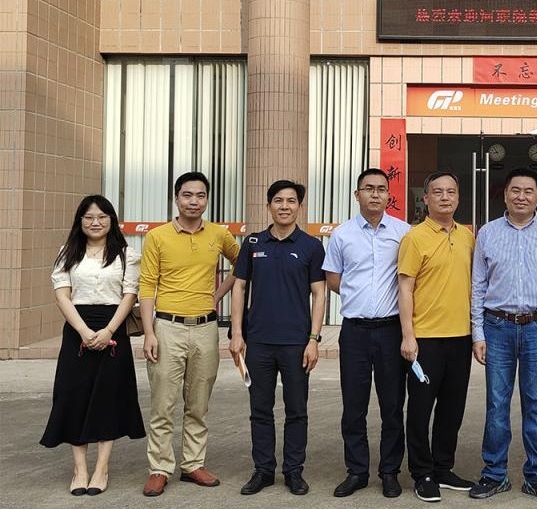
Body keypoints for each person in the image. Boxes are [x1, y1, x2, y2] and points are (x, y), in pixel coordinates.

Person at [468, 169, 537, 503]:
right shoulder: (488, 233)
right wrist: (478, 333)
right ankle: (494, 474)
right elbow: (478, 285)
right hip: (497, 327)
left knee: (536, 406)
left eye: (528, 191)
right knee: (497, 404)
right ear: (505, 195)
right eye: (515, 190)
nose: (521, 196)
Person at [139, 171, 240, 497]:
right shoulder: (157, 237)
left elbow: (243, 265)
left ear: (207, 199)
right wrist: (149, 332)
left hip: (206, 328)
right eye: (187, 195)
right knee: (163, 403)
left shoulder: (218, 234)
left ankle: (193, 464)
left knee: (198, 403)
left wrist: (218, 295)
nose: (194, 201)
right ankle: (159, 468)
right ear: (176, 198)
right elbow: (146, 285)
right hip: (166, 327)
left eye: (200, 195)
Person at [41, 195, 146, 496]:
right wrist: (85, 331)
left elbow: (129, 295)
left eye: (101, 217)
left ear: (111, 220)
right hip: (78, 328)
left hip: (114, 327)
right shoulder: (67, 253)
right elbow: (62, 295)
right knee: (73, 396)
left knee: (108, 397)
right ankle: (80, 469)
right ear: (80, 221)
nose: (95, 222)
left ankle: (101, 468)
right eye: (88, 217)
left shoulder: (127, 254)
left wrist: (109, 330)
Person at [229, 180, 327, 496]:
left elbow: (319, 293)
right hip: (258, 342)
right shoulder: (253, 243)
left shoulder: (311, 246)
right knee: (260, 409)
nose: (285, 206)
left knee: (297, 410)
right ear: (269, 205)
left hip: (297, 343)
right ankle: (263, 470)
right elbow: (239, 287)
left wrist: (313, 339)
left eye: (291, 201)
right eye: (278, 200)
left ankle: (294, 471)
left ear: (299, 206)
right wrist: (237, 333)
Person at [323, 168, 411, 499]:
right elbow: (333, 278)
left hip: (391, 330)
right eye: (368, 188)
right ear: (357, 194)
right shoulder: (342, 235)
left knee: (392, 405)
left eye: (381, 189)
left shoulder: (404, 233)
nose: (375, 194)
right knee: (354, 406)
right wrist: (358, 294)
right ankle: (357, 471)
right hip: (355, 331)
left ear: (389, 195)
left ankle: (389, 471)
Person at [398, 171, 476, 503]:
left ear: (458, 197)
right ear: (426, 198)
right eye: (438, 192)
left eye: (451, 192)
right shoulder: (414, 238)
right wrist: (408, 336)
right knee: (420, 409)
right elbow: (405, 288)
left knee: (452, 409)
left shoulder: (467, 236)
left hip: (460, 337)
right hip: (425, 339)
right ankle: (422, 472)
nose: (445, 197)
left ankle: (444, 467)